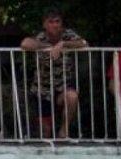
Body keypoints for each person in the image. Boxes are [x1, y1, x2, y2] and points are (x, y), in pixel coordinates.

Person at [21, 7, 88, 138]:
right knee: (45, 131)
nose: (55, 25)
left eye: (57, 21)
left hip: (62, 86)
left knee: (72, 96)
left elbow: (83, 43)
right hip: (42, 89)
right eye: (51, 22)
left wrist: (63, 44)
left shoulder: (67, 34)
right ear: (44, 24)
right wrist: (48, 47)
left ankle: (64, 131)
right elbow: (25, 43)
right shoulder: (41, 36)